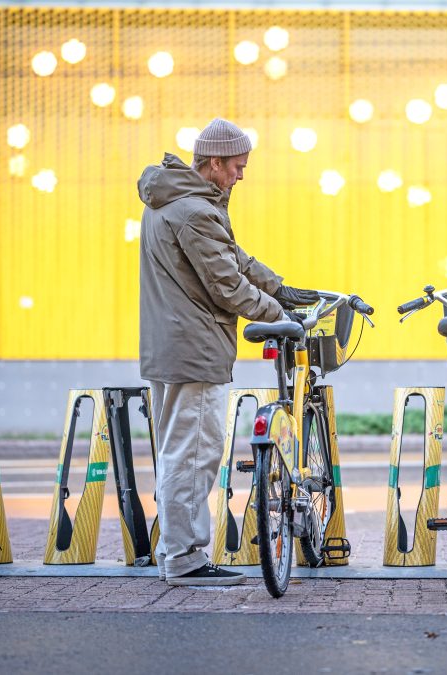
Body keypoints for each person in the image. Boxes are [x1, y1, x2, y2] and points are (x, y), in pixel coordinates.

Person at [137, 118, 318, 586]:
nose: (241, 175)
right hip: (195, 349)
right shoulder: (193, 210)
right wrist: (279, 314)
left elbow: (233, 257)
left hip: (172, 346)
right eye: (237, 166)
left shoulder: (177, 203)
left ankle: (176, 552)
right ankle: (184, 560)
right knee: (193, 454)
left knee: (179, 452)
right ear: (213, 163)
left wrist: (281, 288)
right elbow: (226, 285)